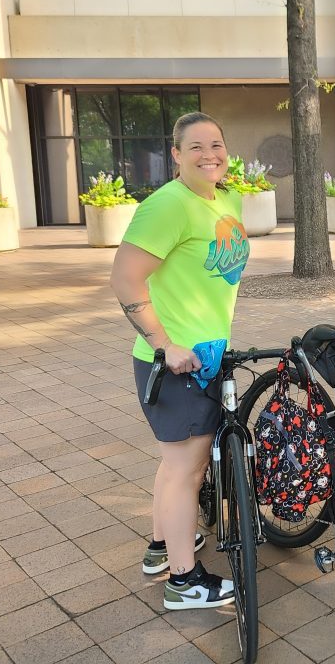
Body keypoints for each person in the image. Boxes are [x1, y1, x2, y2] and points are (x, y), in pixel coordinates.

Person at [110, 112, 250, 610]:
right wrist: (163, 344)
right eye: (195, 146)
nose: (209, 153)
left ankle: (160, 547)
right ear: (175, 154)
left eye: (216, 143)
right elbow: (126, 279)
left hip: (209, 353)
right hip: (175, 362)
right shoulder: (167, 206)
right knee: (186, 470)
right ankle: (183, 581)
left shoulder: (226, 199)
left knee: (176, 467)